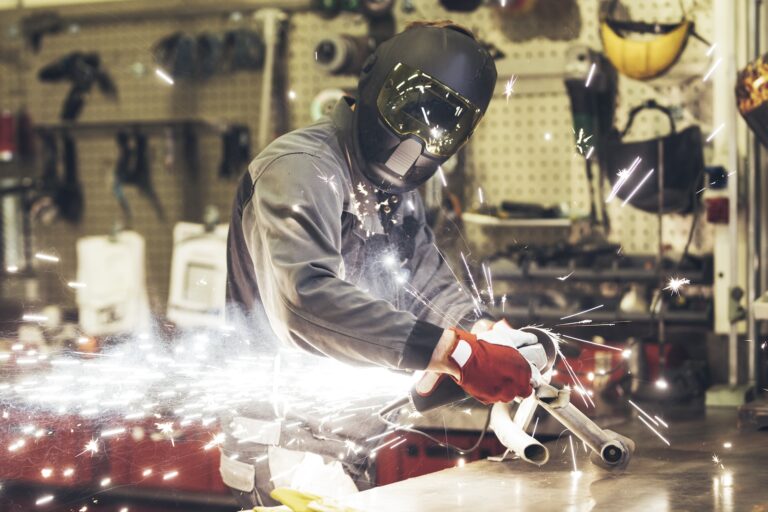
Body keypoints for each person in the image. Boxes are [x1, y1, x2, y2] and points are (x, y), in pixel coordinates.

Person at [222, 20, 539, 508]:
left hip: (348, 439)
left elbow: (425, 283)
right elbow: (303, 301)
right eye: (409, 110)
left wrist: (483, 331)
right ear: (373, 81)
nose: (416, 140)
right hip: (281, 444)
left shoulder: (394, 191)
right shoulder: (301, 168)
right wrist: (455, 353)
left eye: (441, 126)